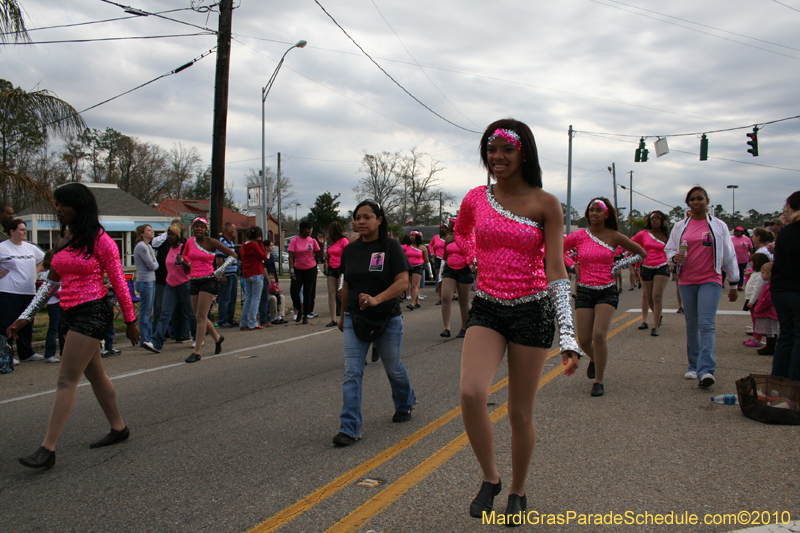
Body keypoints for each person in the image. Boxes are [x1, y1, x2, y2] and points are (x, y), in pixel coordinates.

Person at [456, 119, 581, 524]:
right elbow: (461, 233)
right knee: (472, 393)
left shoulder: (546, 204)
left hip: (533, 311)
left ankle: (518, 490)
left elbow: (558, 270)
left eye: (506, 149)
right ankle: (491, 478)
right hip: (488, 307)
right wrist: (477, 256)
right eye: (491, 150)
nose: (497, 157)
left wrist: (569, 335)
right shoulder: (476, 198)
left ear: (524, 152)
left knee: (519, 413)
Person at [7, 182, 140, 469]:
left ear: (79, 206)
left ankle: (47, 449)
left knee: (66, 378)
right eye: (57, 204)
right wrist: (26, 316)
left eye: (62, 204)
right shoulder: (67, 239)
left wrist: (131, 321)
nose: (57, 209)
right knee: (96, 376)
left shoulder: (102, 241)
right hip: (69, 313)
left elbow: (119, 282)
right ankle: (119, 427)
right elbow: (51, 284)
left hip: (93, 311)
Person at [333, 199, 415, 447]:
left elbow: (403, 282)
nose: (361, 221)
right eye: (357, 217)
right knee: (351, 373)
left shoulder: (391, 247)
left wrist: (377, 299)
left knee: (393, 368)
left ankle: (405, 402)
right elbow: (345, 285)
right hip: (355, 318)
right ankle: (350, 428)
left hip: (387, 318)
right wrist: (342, 313)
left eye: (367, 217)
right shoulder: (350, 250)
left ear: (379, 220)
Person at [564, 198, 646, 396]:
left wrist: (617, 266)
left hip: (607, 290)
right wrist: (573, 265)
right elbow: (557, 250)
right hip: (584, 290)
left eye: (597, 210)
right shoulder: (579, 236)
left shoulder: (614, 236)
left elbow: (641, 253)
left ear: (606, 214)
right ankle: (594, 358)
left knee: (599, 335)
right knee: (583, 340)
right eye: (590, 210)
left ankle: (598, 380)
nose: (593, 213)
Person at [665, 186, 739, 388]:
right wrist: (674, 257)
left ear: (707, 201)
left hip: (710, 279)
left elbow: (728, 254)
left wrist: (733, 282)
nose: (696, 202)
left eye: (700, 198)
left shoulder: (719, 226)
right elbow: (669, 249)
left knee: (707, 325)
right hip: (687, 280)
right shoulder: (681, 226)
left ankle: (706, 371)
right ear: (688, 203)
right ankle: (693, 365)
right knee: (691, 324)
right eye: (692, 199)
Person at [180, 217, 237, 363]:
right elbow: (186, 256)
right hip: (194, 281)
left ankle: (197, 352)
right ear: (193, 228)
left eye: (202, 227)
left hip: (208, 281)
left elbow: (233, 255)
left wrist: (219, 271)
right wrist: (185, 263)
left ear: (206, 229)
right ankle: (218, 338)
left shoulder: (211, 242)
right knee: (199, 316)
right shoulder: (189, 242)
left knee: (200, 317)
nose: (199, 229)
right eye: (196, 226)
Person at [0, 219, 45, 361]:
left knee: (26, 322)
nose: (24, 232)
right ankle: (7, 353)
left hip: (28, 290)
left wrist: (35, 271)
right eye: (21, 229)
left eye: (25, 229)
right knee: (8, 322)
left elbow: (45, 259)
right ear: (12, 231)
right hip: (9, 291)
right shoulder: (3, 247)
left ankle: (26, 353)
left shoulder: (30, 248)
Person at [151, 223, 196, 351]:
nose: (169, 237)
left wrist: (182, 261)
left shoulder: (184, 248)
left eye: (172, 235)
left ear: (178, 236)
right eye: (168, 235)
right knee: (165, 314)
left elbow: (192, 268)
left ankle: (197, 337)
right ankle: (156, 342)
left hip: (184, 284)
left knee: (190, 312)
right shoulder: (168, 249)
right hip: (170, 285)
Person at [771, 191, 800, 381]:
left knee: (786, 336)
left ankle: (778, 382)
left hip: (780, 289)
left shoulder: (786, 231)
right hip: (796, 290)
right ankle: (794, 385)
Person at [632, 211, 670, 336]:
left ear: (663, 221)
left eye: (657, 218)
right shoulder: (643, 234)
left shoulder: (668, 235)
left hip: (662, 266)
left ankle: (655, 327)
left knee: (657, 295)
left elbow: (678, 247)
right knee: (649, 297)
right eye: (652, 218)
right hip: (646, 266)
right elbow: (630, 243)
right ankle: (658, 316)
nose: (654, 221)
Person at [439, 218, 473, 338]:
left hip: (465, 270)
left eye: (450, 224)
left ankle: (465, 327)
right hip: (450, 270)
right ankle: (446, 328)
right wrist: (440, 274)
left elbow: (474, 254)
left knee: (463, 301)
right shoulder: (449, 239)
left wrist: (472, 265)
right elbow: (444, 257)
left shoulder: (470, 238)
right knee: (446, 297)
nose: (449, 226)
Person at [288, 221, 322, 324]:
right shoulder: (295, 240)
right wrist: (291, 270)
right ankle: (299, 309)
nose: (310, 231)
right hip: (298, 269)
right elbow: (291, 256)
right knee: (294, 291)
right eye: (308, 229)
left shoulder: (312, 240)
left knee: (308, 292)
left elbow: (320, 256)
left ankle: (305, 316)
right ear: (302, 229)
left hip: (310, 269)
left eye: (311, 229)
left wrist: (321, 244)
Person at [134, 224, 159, 353]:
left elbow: (154, 263)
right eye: (148, 230)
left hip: (151, 280)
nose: (151, 232)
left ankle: (149, 336)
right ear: (142, 233)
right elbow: (152, 265)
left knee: (149, 310)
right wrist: (154, 264)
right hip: (144, 281)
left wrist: (154, 264)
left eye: (151, 230)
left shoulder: (149, 246)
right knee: (145, 310)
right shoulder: (141, 246)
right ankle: (145, 337)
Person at [240, 226, 267, 331]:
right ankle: (252, 322)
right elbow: (263, 256)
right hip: (256, 273)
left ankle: (244, 322)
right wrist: (260, 243)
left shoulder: (243, 246)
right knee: (256, 299)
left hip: (247, 274)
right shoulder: (255, 245)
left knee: (248, 298)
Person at [38, 250, 63, 363]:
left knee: (63, 328)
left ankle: (64, 352)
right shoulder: (49, 272)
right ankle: (49, 353)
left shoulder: (59, 270)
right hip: (54, 303)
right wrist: (62, 295)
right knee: (53, 328)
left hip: (61, 302)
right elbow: (52, 289)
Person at [743, 253, 771, 348]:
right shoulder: (755, 274)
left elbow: (757, 290)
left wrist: (752, 301)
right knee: (754, 320)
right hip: (751, 299)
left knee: (757, 321)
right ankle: (755, 337)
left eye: (752, 261)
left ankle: (757, 339)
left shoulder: (759, 276)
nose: (750, 263)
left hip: (754, 300)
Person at [325, 222, 348, 327]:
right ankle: (333, 319)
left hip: (341, 268)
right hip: (332, 268)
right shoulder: (331, 243)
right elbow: (325, 254)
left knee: (342, 293)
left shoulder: (344, 241)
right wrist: (325, 242)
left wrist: (343, 272)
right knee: (331, 293)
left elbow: (347, 256)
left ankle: (344, 316)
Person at [752, 262, 778, 356]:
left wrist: (758, 308)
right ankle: (769, 346)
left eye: (763, 273)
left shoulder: (770, 286)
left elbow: (767, 300)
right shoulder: (768, 285)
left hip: (768, 312)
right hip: (767, 311)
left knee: (770, 331)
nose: (761, 274)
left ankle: (771, 348)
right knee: (768, 331)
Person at [216, 222, 239, 328]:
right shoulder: (222, 242)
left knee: (232, 298)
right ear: (228, 230)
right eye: (234, 229)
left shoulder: (231, 242)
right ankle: (222, 319)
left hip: (233, 273)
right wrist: (222, 275)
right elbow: (219, 259)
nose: (235, 231)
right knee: (225, 298)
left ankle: (230, 318)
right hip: (227, 274)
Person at [402, 231, 430, 311]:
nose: (411, 237)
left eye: (413, 235)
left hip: (418, 267)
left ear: (417, 237)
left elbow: (427, 260)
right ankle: (417, 302)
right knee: (413, 286)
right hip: (409, 267)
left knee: (414, 285)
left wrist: (431, 273)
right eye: (410, 235)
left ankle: (411, 303)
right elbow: (398, 249)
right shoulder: (406, 246)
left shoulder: (423, 247)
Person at [430, 223, 447, 305]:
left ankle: (448, 296)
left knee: (447, 279)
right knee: (439, 279)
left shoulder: (450, 238)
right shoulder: (436, 237)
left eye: (444, 228)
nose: (442, 229)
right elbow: (430, 245)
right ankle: (440, 298)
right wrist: (432, 253)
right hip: (438, 259)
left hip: (447, 260)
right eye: (441, 228)